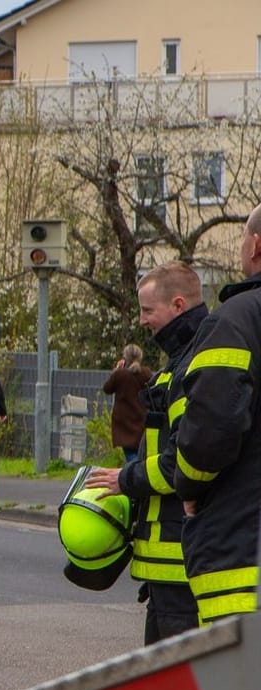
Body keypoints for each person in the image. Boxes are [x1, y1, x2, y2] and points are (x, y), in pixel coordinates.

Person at [87, 262, 210, 642]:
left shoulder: (193, 365)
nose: (142, 321)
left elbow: (186, 460)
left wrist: (127, 479)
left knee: (180, 686)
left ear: (176, 305)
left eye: (147, 310)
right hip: (165, 565)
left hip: (180, 559)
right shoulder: (178, 363)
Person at [152, 206, 261, 624]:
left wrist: (190, 487)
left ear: (254, 246)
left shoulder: (235, 321)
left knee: (233, 689)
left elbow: (211, 430)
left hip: (242, 563)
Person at [101, 344, 151, 463]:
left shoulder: (120, 375)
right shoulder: (146, 373)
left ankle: (133, 475)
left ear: (125, 358)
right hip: (142, 420)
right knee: (141, 454)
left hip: (124, 422)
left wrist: (116, 371)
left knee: (131, 455)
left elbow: (107, 388)